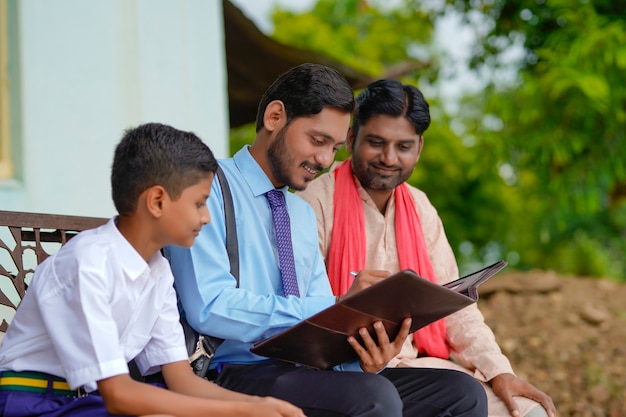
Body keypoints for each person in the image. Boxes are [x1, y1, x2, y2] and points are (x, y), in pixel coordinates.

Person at [166, 63, 488, 417]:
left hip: (305, 372)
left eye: (334, 148)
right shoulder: (206, 186)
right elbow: (209, 307)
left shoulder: (300, 213)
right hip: (233, 373)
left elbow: (321, 337)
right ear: (275, 116)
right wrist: (331, 306)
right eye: (317, 141)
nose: (323, 160)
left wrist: (364, 355)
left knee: (461, 393)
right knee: (374, 398)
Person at [0, 123, 304, 417]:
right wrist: (243, 411)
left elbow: (182, 382)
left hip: (89, 403)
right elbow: (119, 395)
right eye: (200, 203)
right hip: (34, 401)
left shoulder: (157, 271)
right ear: (157, 200)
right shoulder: (88, 264)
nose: (207, 217)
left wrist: (260, 406)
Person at [297, 79, 558, 417]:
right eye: (376, 143)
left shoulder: (420, 207)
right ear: (351, 139)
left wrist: (499, 371)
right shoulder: (314, 202)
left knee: (528, 412)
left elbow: (455, 307)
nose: (388, 158)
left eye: (403, 147)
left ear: (418, 149)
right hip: (345, 371)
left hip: (421, 365)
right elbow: (301, 308)